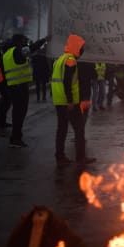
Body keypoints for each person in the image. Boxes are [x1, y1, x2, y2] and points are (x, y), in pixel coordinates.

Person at [51, 34, 96, 166]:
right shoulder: (71, 60)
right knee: (79, 129)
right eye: (81, 48)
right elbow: (66, 82)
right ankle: (81, 158)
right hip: (69, 102)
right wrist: (70, 100)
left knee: (62, 129)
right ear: (76, 47)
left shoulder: (60, 59)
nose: (82, 51)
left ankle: (60, 157)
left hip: (59, 100)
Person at [2, 34, 48, 147]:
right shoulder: (17, 51)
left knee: (17, 113)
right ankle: (16, 138)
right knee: (19, 113)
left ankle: (16, 137)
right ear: (18, 41)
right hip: (19, 87)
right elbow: (32, 48)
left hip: (13, 86)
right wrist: (44, 40)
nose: (25, 43)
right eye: (23, 41)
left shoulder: (7, 53)